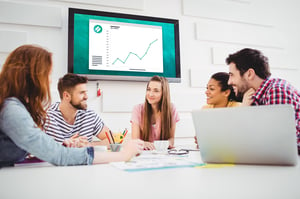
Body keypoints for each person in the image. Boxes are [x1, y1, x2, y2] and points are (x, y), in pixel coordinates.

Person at [0, 44, 144, 167]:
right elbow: (60, 156)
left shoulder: (14, 106)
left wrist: (64, 145)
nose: (49, 81)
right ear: (32, 76)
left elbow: (41, 148)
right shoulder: (12, 110)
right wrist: (124, 155)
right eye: (48, 75)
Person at [226, 48, 300, 153]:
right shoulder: (253, 98)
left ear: (249, 74)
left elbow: (277, 145)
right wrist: (243, 109)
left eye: (232, 75)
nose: (229, 82)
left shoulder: (277, 91)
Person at [44, 73, 110, 148]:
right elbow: (33, 149)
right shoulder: (46, 117)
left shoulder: (89, 115)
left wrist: (88, 145)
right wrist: (64, 146)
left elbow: (113, 140)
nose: (86, 97)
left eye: (86, 92)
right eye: (82, 93)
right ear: (66, 96)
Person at [131, 75, 180, 150]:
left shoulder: (171, 109)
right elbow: (135, 141)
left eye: (156, 91)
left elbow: (171, 140)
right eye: (148, 89)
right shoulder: (137, 109)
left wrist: (160, 145)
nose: (150, 94)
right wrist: (143, 144)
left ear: (164, 93)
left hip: (163, 155)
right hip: (143, 155)